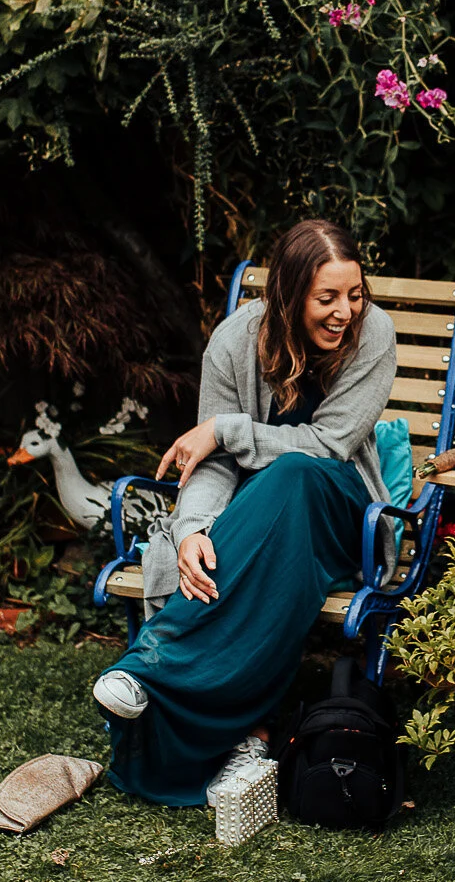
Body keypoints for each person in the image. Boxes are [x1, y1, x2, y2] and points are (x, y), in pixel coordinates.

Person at [92, 219, 398, 805]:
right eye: (327, 298)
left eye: (355, 294)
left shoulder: (373, 334)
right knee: (227, 546)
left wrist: (226, 430)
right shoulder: (233, 343)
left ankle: (151, 666)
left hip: (339, 512)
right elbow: (212, 465)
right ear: (288, 294)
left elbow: (331, 444)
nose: (345, 312)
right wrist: (191, 531)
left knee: (292, 473)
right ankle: (242, 735)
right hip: (259, 524)